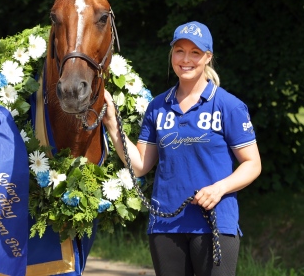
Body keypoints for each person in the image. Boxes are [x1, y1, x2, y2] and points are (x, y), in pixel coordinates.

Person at [102, 21, 262, 276]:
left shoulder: (228, 106)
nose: (186, 59)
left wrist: (219, 189)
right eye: (179, 51)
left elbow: (253, 164)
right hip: (166, 226)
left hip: (215, 224)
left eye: (195, 53)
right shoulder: (157, 106)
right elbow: (141, 164)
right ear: (172, 54)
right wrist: (112, 124)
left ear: (208, 57)